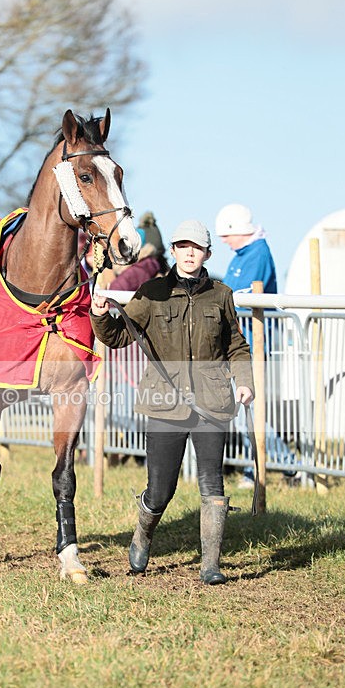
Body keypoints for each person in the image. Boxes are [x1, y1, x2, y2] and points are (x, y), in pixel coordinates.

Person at [90, 219, 254, 585]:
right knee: (161, 489)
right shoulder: (152, 292)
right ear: (175, 251)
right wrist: (100, 314)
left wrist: (243, 382)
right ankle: (143, 533)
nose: (190, 252)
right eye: (183, 246)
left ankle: (210, 564)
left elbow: (236, 346)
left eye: (196, 247)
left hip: (213, 401)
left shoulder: (221, 295)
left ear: (207, 253)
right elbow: (117, 337)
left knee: (213, 483)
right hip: (165, 402)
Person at [215, 204, 295, 487]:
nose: (224, 240)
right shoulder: (242, 254)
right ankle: (286, 464)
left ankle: (274, 466)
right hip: (239, 343)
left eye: (227, 234)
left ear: (238, 231)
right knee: (247, 407)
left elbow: (240, 295)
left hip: (254, 342)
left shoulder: (257, 253)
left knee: (249, 406)